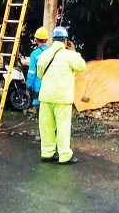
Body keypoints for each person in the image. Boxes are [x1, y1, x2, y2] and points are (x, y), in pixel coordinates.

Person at [37, 26, 86, 165]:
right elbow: (82, 66)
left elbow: (40, 74)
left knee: (46, 126)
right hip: (62, 98)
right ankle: (64, 155)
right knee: (63, 126)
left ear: (53, 39)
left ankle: (47, 153)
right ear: (66, 40)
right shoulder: (69, 55)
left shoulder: (45, 54)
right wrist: (73, 50)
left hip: (46, 96)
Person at [25, 27, 50, 110]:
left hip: (38, 88)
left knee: (40, 113)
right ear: (46, 39)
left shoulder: (35, 54)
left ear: (36, 39)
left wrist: (28, 87)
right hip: (51, 87)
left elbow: (31, 73)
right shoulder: (53, 52)